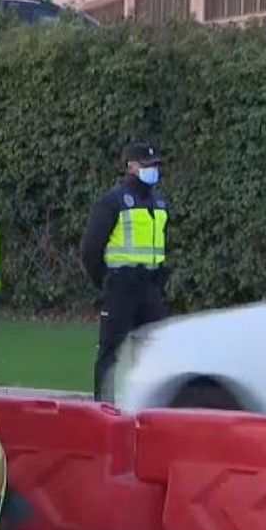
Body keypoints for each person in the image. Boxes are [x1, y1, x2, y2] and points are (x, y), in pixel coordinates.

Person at [81, 141, 170, 402]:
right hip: (122, 287)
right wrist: (106, 281)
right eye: (147, 165)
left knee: (153, 351)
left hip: (151, 288)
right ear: (131, 167)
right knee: (111, 352)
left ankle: (148, 407)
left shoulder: (159, 203)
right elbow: (90, 249)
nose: (153, 170)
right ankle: (104, 408)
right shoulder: (114, 201)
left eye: (155, 166)